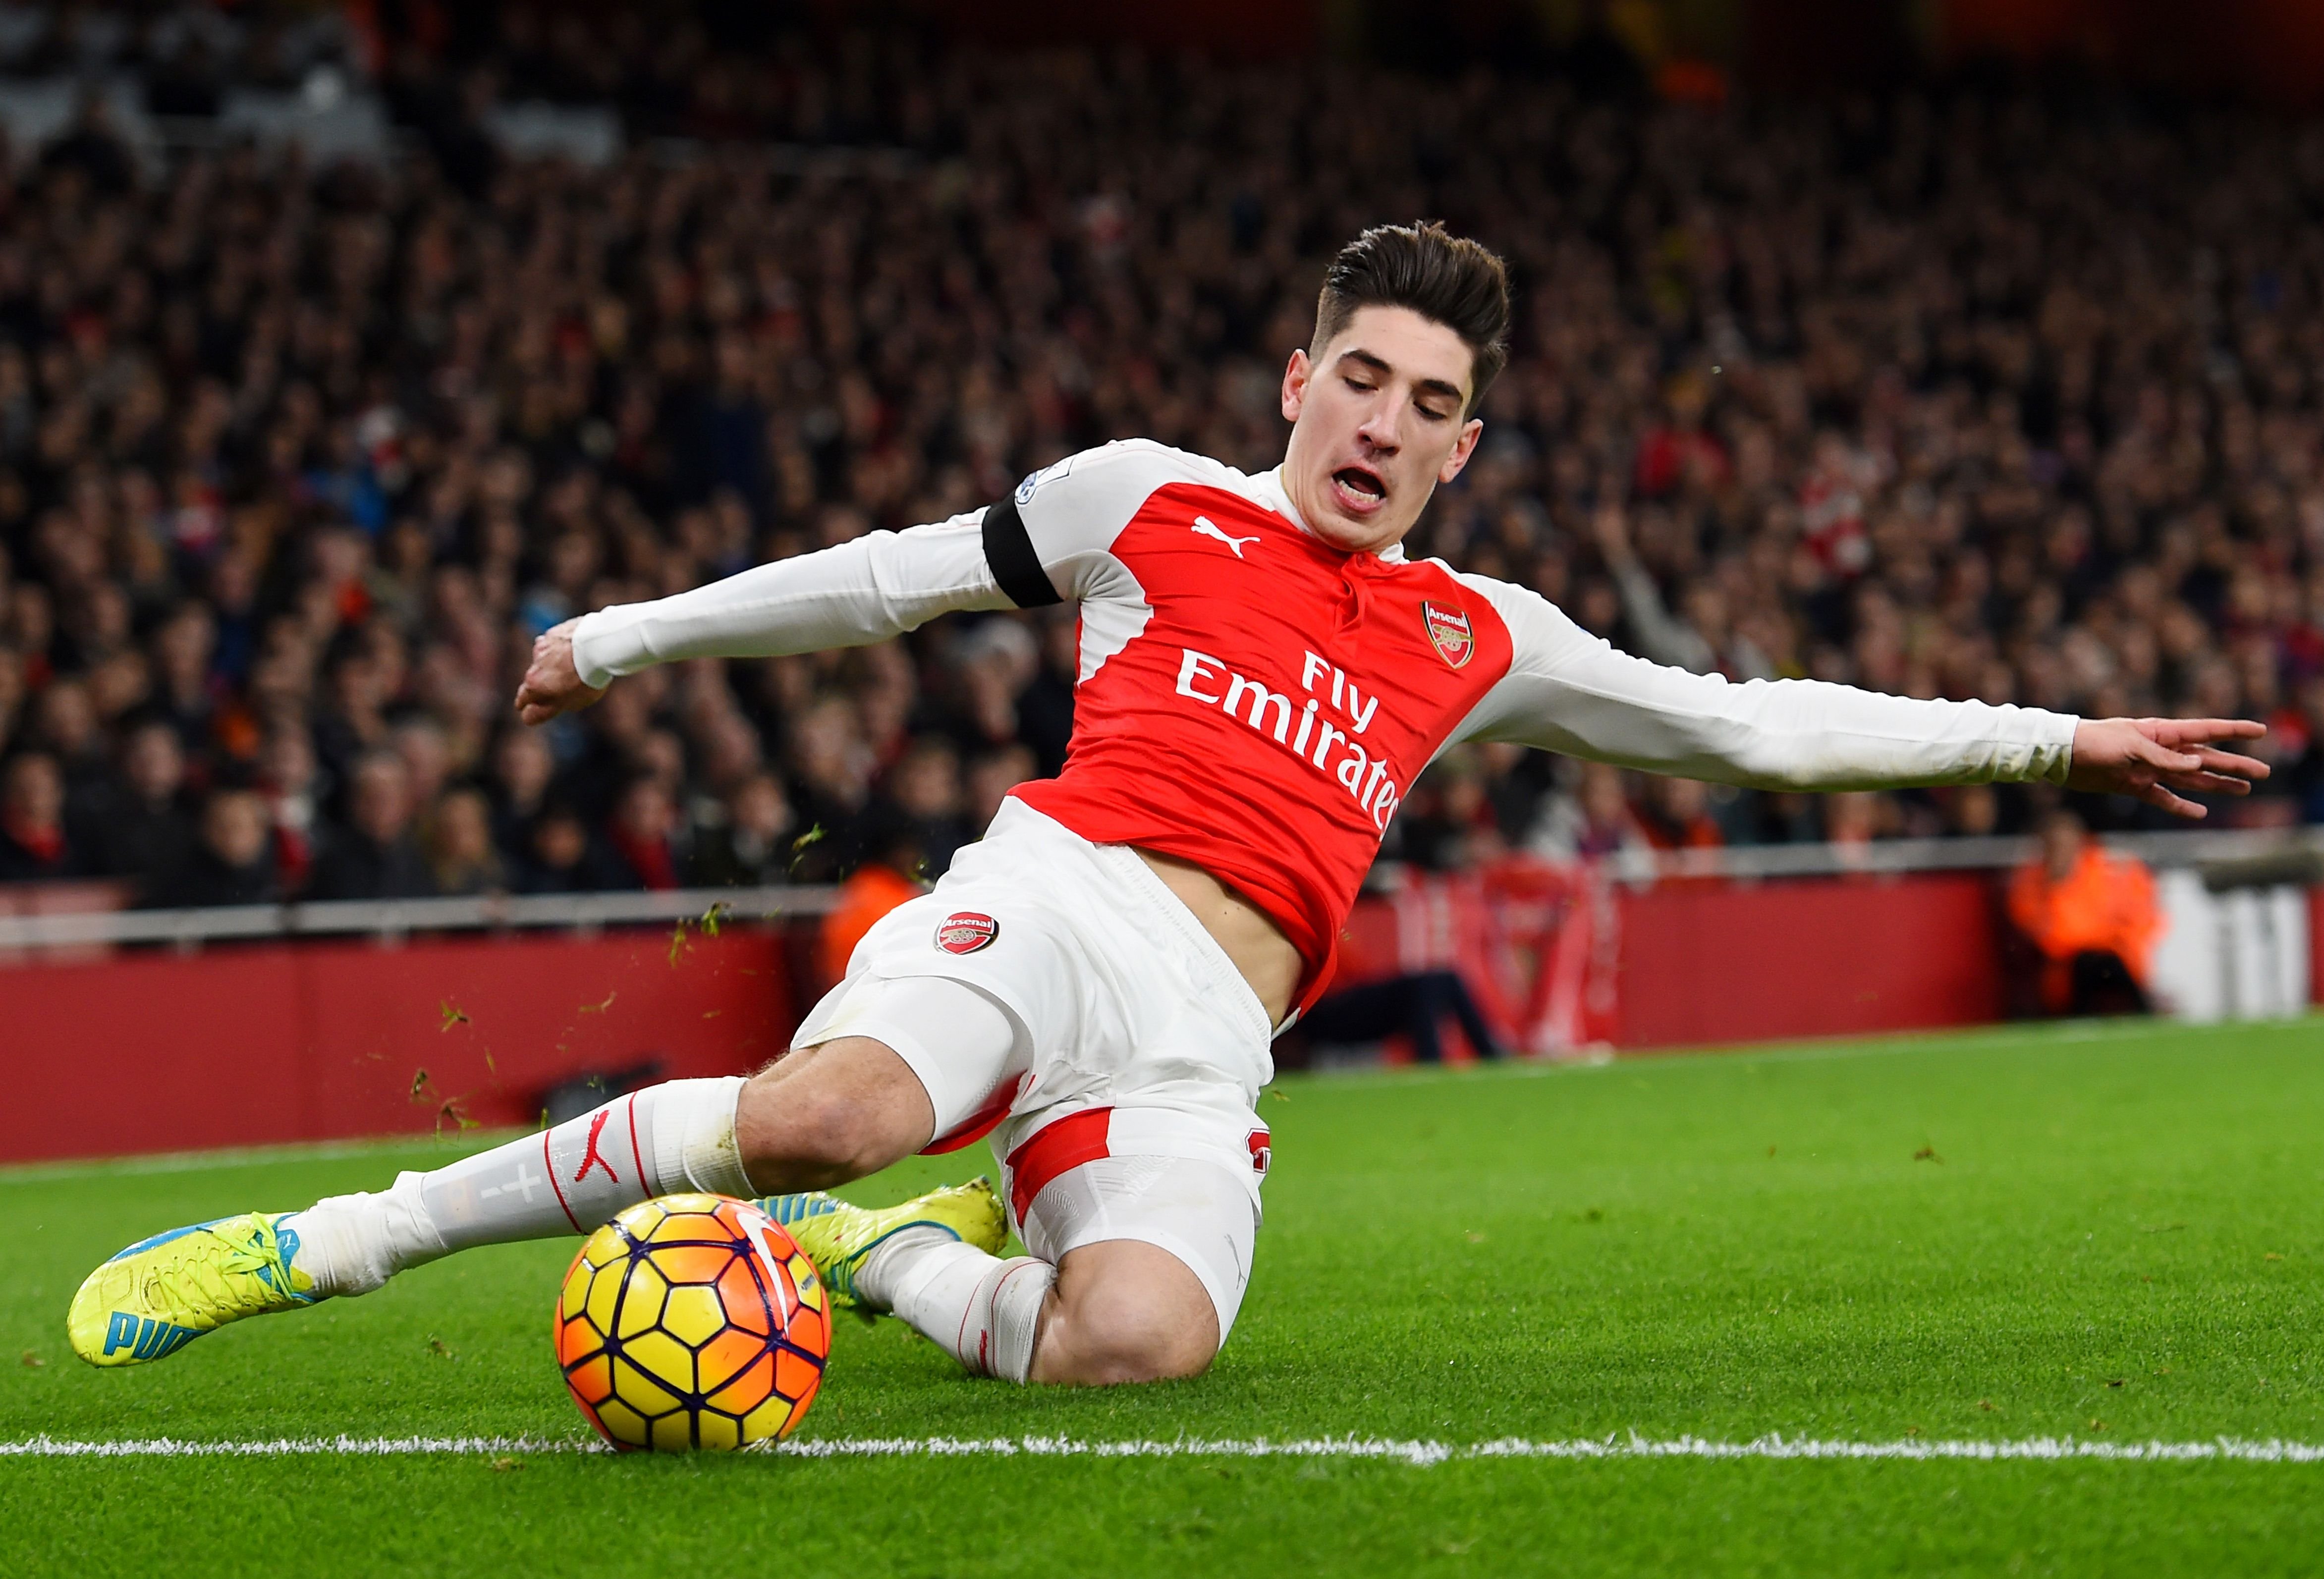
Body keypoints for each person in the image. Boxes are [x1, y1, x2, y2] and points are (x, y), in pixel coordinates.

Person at [71, 222, 2268, 1388]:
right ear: (1296, 380)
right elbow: (887, 581)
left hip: (1207, 1035)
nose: (1383, 423)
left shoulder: (1480, 632)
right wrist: (624, 635)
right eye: (1360, 377)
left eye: (1429, 403)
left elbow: (1754, 726)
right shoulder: (1149, 500)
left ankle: (881, 1263)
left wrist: (2058, 742)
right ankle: (335, 1241)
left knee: (1131, 1345)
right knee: (823, 1108)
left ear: (1462, 448)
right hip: (1053, 895)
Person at [2005, 809, 2161, 1016]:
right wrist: (2057, 888)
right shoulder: (2030, 881)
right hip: (2067, 964)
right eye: (2055, 844)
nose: (2062, 850)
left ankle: (2145, 1012)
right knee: (2085, 964)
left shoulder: (2110, 869)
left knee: (2109, 964)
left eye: (2066, 842)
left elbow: (2142, 915)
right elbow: (2052, 939)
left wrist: (2117, 942)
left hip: (2118, 953)